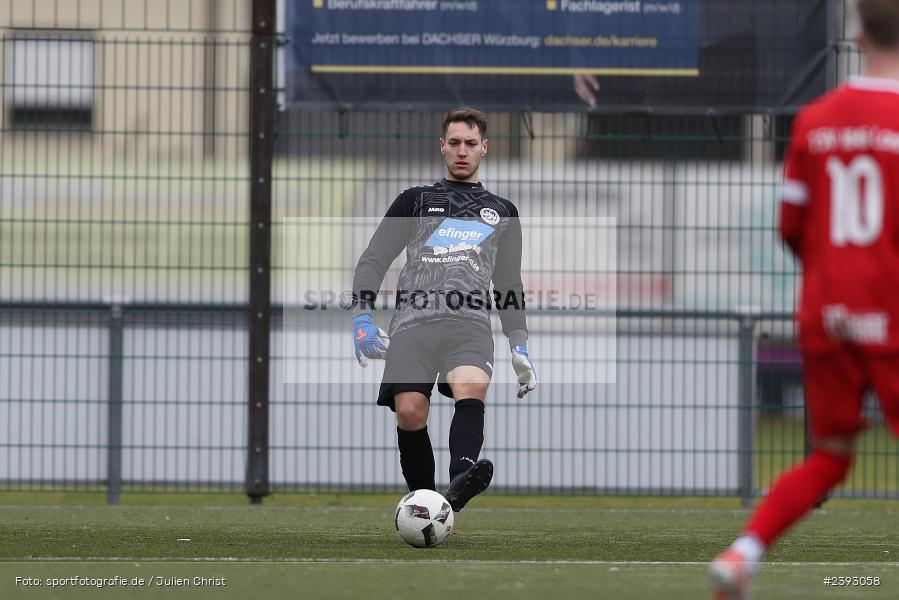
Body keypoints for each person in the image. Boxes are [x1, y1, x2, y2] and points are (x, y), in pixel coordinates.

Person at [710, 1, 899, 598]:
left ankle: (742, 553)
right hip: (891, 313)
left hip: (827, 313)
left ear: (857, 36)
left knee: (829, 459)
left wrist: (831, 274)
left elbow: (790, 226)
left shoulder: (815, 120)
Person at [351, 107, 537, 512]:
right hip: (412, 325)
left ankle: (459, 482)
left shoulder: (502, 211)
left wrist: (519, 343)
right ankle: (426, 505)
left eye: (470, 143)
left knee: (472, 386)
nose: (462, 151)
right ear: (442, 146)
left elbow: (508, 284)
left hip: (469, 325)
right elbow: (373, 260)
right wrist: (362, 316)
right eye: (454, 143)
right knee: (410, 412)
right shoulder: (415, 200)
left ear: (484, 148)